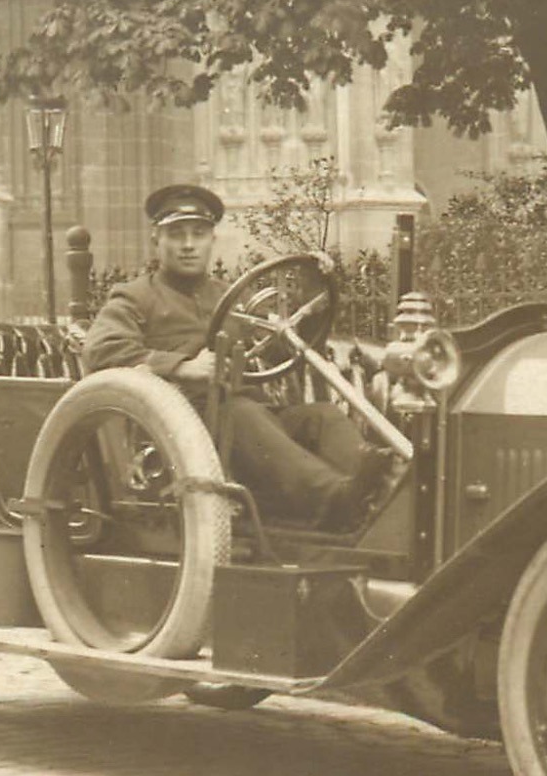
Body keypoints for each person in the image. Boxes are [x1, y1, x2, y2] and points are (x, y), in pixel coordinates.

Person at [81, 184, 391, 531]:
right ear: (156, 241)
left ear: (211, 240)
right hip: (182, 432)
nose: (188, 244)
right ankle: (333, 500)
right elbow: (100, 350)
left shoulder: (229, 297)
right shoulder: (134, 297)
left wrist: (315, 289)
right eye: (176, 235)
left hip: (250, 424)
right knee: (240, 413)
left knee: (322, 417)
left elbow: (286, 348)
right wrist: (181, 367)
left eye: (198, 234)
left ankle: (378, 490)